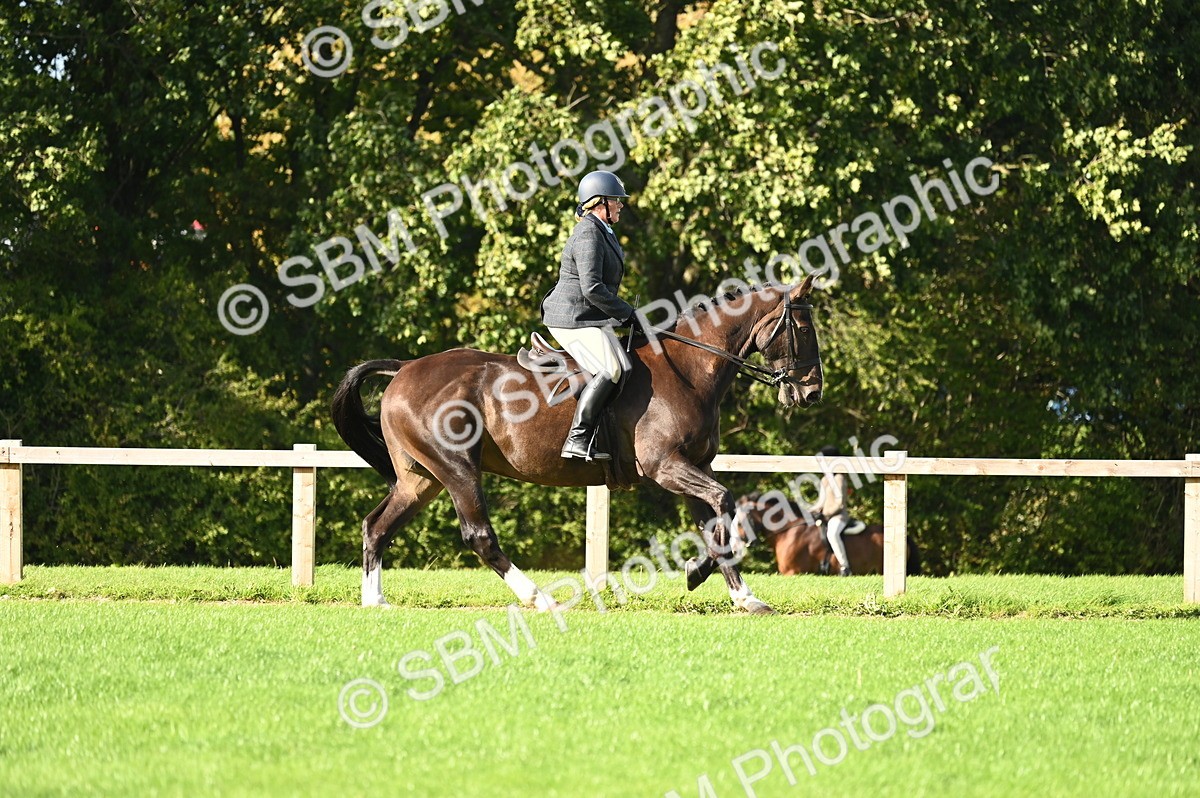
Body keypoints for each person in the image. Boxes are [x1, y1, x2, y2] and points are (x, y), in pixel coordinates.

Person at [540, 170, 640, 461]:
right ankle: (577, 439)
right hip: (571, 317)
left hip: (588, 315)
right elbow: (592, 288)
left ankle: (605, 433)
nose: (620, 205)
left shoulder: (603, 231)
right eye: (616, 201)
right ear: (599, 203)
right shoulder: (588, 233)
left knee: (626, 363)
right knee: (611, 368)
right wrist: (627, 314)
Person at [811, 444, 853, 575]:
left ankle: (845, 567)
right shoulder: (824, 479)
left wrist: (825, 514)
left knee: (832, 533)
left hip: (838, 516)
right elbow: (821, 501)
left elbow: (840, 503)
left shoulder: (839, 478)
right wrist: (809, 510)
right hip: (825, 516)